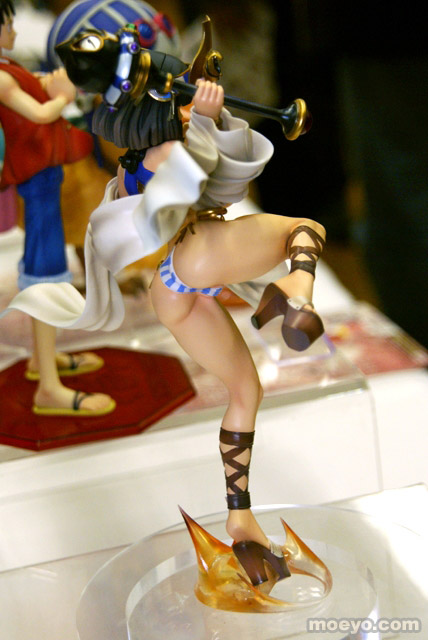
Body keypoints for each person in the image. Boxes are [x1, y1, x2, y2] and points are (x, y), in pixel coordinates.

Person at [5, 25, 326, 585]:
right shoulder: (167, 151)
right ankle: (294, 292)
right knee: (306, 229)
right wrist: (205, 121)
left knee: (245, 391)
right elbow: (198, 177)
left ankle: (241, 519)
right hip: (196, 254)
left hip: (171, 290)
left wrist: (206, 117)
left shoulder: (130, 164)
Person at [0, 0, 114, 415]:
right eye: (7, 24)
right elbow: (41, 113)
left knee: (47, 277)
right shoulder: (1, 78)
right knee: (45, 280)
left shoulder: (9, 69)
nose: (13, 31)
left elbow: (36, 91)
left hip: (45, 185)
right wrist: (61, 96)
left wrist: (51, 83)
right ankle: (48, 388)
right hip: (38, 191)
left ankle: (41, 361)